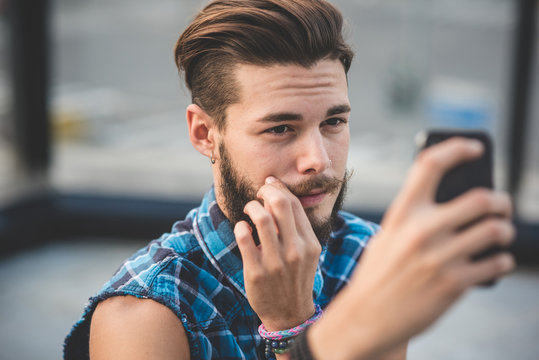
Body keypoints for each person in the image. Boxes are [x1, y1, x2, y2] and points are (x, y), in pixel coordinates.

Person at [64, 0, 515, 359]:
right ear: (205, 134)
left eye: (334, 122)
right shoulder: (145, 313)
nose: (318, 161)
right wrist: (291, 330)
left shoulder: (367, 255)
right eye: (280, 129)